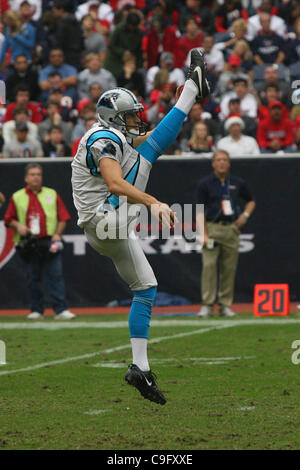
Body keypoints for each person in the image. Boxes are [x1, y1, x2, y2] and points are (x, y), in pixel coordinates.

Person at [71, 49, 210, 405]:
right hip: (104, 219)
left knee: (146, 288)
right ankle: (192, 91)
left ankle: (140, 368)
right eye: (131, 116)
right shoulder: (103, 139)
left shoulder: (112, 136)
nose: (136, 120)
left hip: (110, 227)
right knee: (148, 155)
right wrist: (155, 203)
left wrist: (178, 106)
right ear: (114, 118)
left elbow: (153, 141)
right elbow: (116, 183)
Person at [4, 163, 75, 320]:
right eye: (33, 174)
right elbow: (9, 219)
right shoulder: (18, 196)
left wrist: (57, 234)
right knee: (32, 278)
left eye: (38, 174)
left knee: (55, 276)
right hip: (29, 243)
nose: (36, 177)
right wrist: (18, 226)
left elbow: (63, 217)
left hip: (49, 241)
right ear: (26, 178)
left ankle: (61, 309)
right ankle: (36, 310)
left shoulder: (51, 194)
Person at [196, 150, 256, 318]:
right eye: (218, 160)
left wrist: (245, 216)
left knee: (229, 268)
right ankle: (207, 304)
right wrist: (203, 234)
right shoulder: (205, 183)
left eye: (224, 160)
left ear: (229, 163)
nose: (222, 162)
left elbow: (251, 200)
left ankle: (225, 305)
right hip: (212, 227)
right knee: (208, 267)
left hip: (231, 228)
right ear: (213, 163)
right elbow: (199, 209)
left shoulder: (237, 182)